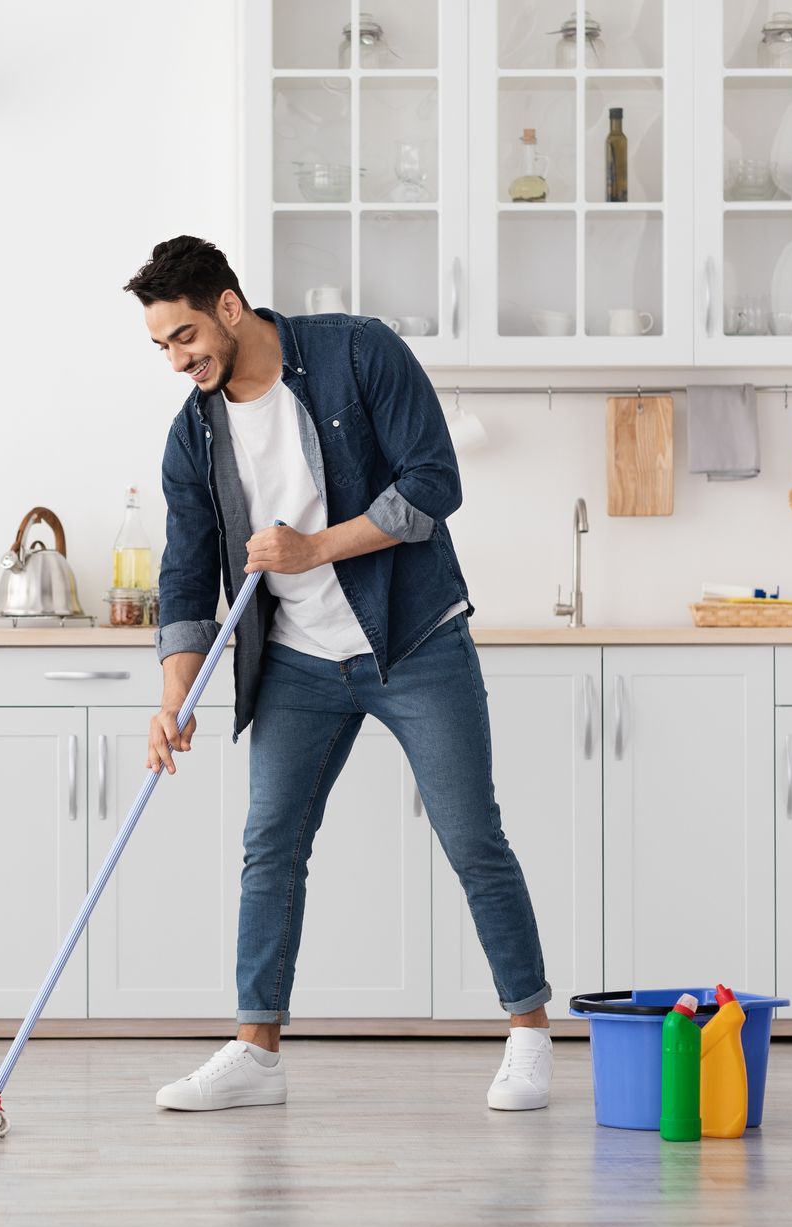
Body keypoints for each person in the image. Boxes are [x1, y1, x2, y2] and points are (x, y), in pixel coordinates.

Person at [124, 237, 553, 1113]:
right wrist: (175, 697)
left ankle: (530, 1033)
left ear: (231, 307)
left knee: (472, 837)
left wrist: (315, 547)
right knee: (269, 846)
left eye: (186, 337)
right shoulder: (193, 435)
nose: (178, 360)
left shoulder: (358, 351)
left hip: (413, 640)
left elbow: (434, 485)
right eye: (163, 346)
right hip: (298, 658)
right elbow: (184, 572)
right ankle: (256, 1052)